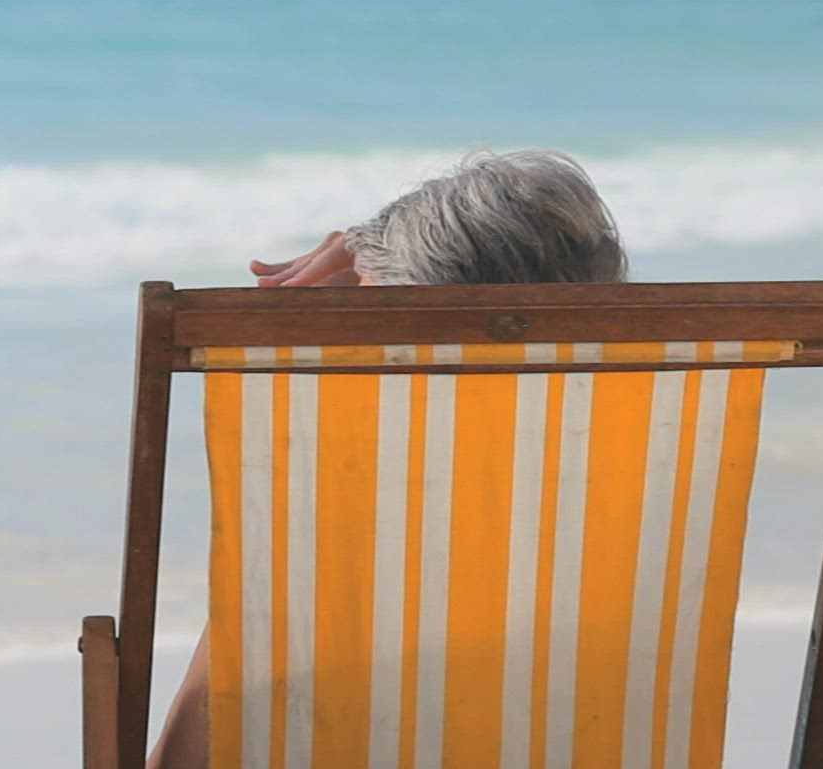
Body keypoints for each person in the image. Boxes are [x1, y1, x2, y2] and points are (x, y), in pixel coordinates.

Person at [151, 149, 628, 769]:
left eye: (372, 324)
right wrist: (383, 267)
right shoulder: (643, 493)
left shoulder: (351, 537)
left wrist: (347, 303)